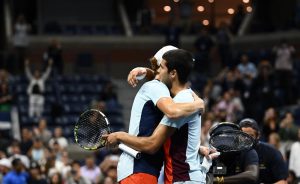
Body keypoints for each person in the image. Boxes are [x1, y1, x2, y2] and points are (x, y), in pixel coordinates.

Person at [105, 49, 210, 184]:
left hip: (171, 175)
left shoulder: (179, 102)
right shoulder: (184, 97)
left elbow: (153, 143)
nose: (157, 71)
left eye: (160, 66)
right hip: (155, 172)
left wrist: (119, 136)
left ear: (173, 72)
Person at [239, 118, 288, 184]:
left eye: (251, 136)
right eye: (243, 136)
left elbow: (283, 181)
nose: (247, 139)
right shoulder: (231, 153)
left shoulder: (272, 152)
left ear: (258, 135)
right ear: (237, 136)